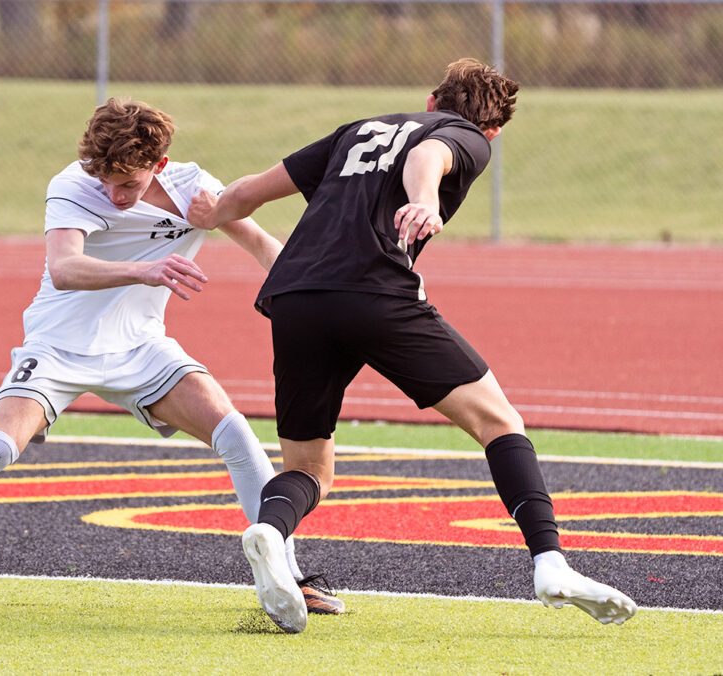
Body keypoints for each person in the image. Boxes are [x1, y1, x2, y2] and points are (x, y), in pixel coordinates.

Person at [0, 97, 344, 616]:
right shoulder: (73, 185)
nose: (114, 194)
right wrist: (143, 270)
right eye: (105, 181)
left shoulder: (195, 188)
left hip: (141, 348)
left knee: (235, 434)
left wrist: (307, 295)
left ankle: (287, 575)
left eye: (128, 184)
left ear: (160, 165)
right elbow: (65, 268)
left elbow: (260, 242)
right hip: (58, 345)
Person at [186, 58, 638, 634]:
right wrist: (424, 198)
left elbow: (247, 192)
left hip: (295, 298)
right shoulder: (467, 137)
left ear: (431, 100)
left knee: (308, 467)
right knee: (500, 422)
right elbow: (429, 157)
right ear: (492, 130)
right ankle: (550, 563)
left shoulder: (358, 130)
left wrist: (212, 210)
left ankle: (270, 533)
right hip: (374, 293)